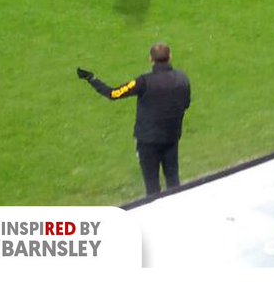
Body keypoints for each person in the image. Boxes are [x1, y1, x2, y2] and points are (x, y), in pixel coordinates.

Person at [76, 43, 191, 196]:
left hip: (147, 141)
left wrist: (91, 78)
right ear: (170, 57)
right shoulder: (182, 78)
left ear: (151, 59)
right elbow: (186, 103)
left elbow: (113, 93)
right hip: (171, 137)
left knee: (152, 187)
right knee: (174, 183)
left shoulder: (144, 82)